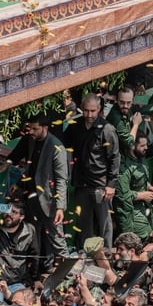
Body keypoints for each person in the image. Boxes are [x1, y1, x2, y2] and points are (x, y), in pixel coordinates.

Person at [0, 114, 68, 270]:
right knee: (34, 236)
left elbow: (61, 179)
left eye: (35, 129)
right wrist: (18, 182)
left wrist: (60, 206)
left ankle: (69, 272)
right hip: (30, 197)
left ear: (45, 128)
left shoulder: (56, 147)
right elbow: (25, 162)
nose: (31, 132)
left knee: (56, 239)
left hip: (48, 201)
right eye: (30, 128)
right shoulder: (30, 140)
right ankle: (39, 268)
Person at [63, 94, 121, 248]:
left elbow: (114, 158)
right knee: (83, 223)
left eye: (93, 111)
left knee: (104, 224)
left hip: (100, 185)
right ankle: (85, 253)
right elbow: (62, 144)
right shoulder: (75, 125)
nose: (89, 115)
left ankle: (106, 255)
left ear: (99, 110)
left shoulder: (107, 130)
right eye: (86, 111)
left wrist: (111, 184)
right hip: (81, 183)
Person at [114, 132, 153, 240]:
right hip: (131, 210)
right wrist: (141, 195)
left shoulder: (141, 158)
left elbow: (140, 180)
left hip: (146, 206)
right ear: (132, 146)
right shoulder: (123, 167)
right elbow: (122, 196)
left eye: (146, 145)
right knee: (145, 237)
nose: (146, 148)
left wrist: (150, 187)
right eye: (142, 146)